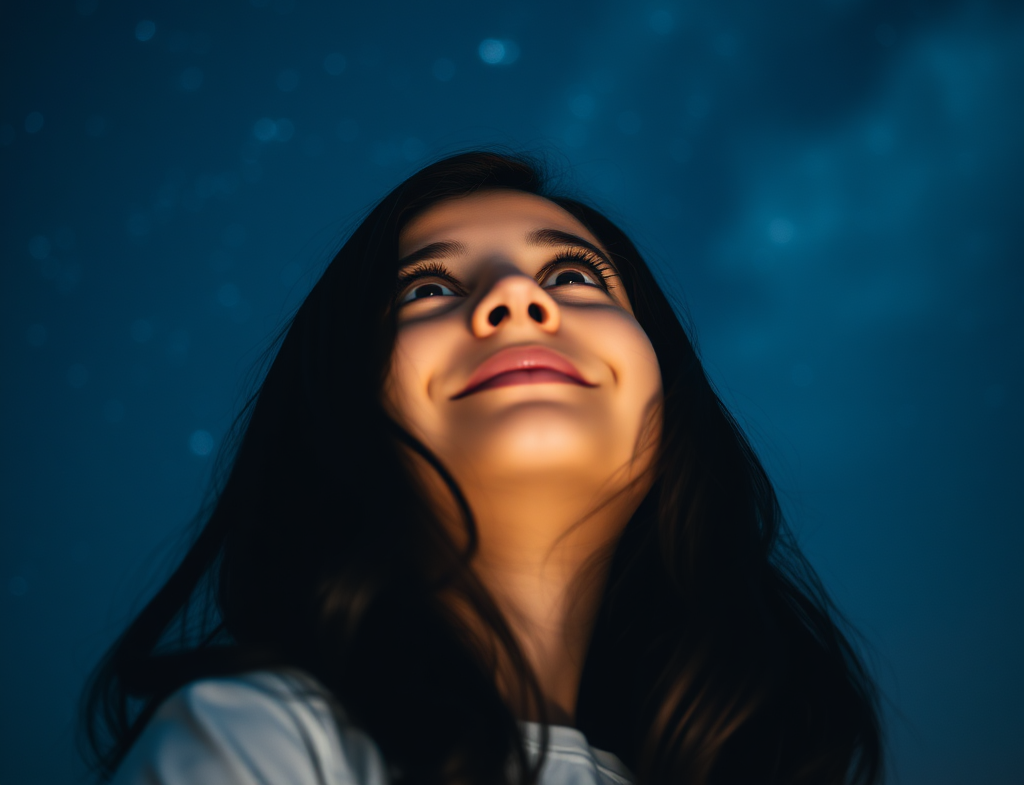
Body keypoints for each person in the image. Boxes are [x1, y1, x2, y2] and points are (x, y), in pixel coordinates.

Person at [81, 150, 883, 784]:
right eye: (427, 288)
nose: (515, 300)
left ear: (673, 397)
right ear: (342, 404)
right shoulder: (260, 739)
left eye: (572, 276)